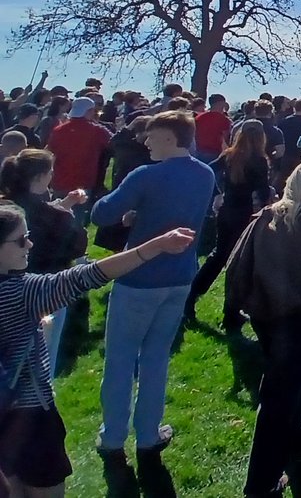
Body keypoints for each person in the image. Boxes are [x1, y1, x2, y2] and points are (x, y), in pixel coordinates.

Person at [0, 203, 195, 497]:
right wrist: (155, 246)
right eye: (20, 239)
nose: (29, 243)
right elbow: (87, 276)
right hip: (30, 420)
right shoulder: (22, 293)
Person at [223, 163, 301, 498]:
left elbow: (236, 263)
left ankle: (297, 431)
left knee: (284, 378)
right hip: (296, 315)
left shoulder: (266, 217)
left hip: (264, 311)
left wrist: (239, 301)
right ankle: (261, 482)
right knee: (277, 397)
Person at [90, 111, 215, 458]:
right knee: (157, 357)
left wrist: (126, 203)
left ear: (172, 139)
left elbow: (102, 214)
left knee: (120, 358)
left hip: (139, 276)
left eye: (152, 136)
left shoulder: (145, 175)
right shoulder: (205, 173)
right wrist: (142, 212)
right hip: (180, 274)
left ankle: (113, 436)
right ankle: (148, 434)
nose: (145, 142)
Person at [0, 149, 88, 377]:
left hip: (5, 288)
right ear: (39, 177)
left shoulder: (6, 210)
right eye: (50, 172)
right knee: (42, 359)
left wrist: (63, 205)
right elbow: (78, 247)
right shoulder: (56, 217)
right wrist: (71, 216)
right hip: (46, 292)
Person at [186, 120, 271, 333]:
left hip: (227, 211)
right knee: (240, 263)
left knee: (218, 257)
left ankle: (190, 297)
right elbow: (261, 191)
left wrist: (219, 193)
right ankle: (231, 312)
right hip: (246, 215)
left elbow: (207, 170)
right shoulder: (259, 160)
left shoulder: (229, 155)